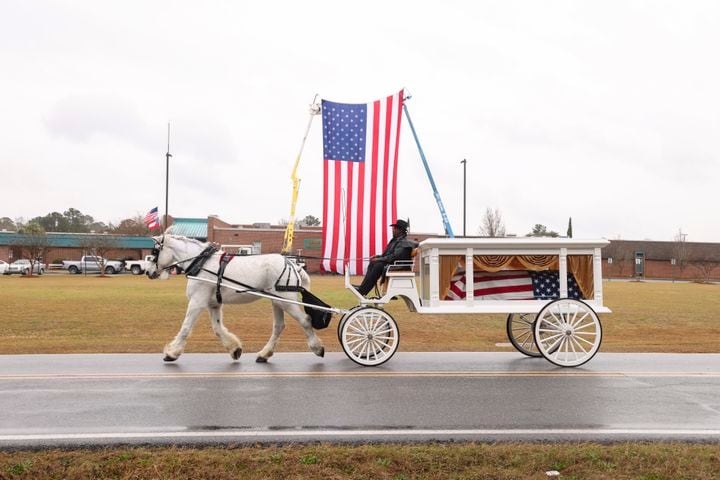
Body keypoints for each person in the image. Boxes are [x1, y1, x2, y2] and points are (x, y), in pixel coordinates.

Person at [355, 219, 417, 296]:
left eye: (395, 228)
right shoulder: (395, 241)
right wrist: (377, 256)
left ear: (400, 230)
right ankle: (363, 288)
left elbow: (393, 257)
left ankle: (363, 290)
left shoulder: (402, 243)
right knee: (372, 263)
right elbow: (387, 255)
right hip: (393, 263)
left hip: (398, 266)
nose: (393, 230)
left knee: (378, 265)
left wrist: (378, 259)